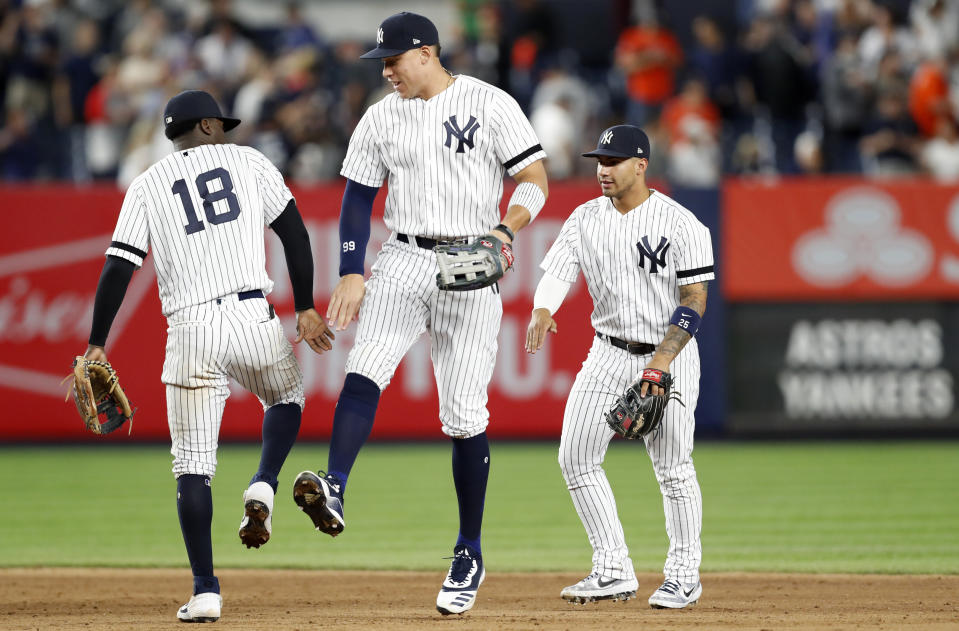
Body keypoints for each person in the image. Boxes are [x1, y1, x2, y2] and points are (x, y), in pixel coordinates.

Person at [291, 11, 548, 616]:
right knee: (366, 368)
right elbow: (357, 196)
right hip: (403, 256)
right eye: (381, 61)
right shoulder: (380, 116)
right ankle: (336, 486)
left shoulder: (490, 103)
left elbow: (534, 179)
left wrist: (505, 230)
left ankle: (469, 549)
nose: (385, 70)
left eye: (394, 59)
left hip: (469, 256)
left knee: (463, 415)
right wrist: (351, 269)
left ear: (428, 53)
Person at [77, 89, 334, 623]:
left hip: (190, 328)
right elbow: (294, 234)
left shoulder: (146, 183)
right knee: (286, 397)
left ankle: (206, 590)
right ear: (211, 126)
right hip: (250, 314)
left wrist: (97, 341)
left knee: (192, 468)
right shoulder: (249, 161)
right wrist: (306, 305)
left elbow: (118, 269)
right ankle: (264, 481)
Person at [526, 125, 713, 609]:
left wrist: (659, 367)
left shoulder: (682, 224)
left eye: (612, 161)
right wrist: (544, 309)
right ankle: (612, 568)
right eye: (598, 161)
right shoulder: (585, 217)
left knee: (672, 467)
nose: (602, 170)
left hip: (667, 353)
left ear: (641, 165)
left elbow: (694, 304)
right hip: (607, 351)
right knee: (575, 456)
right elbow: (559, 272)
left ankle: (683, 575)